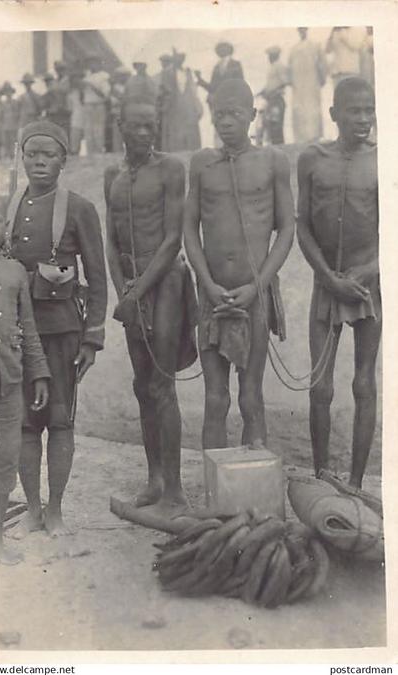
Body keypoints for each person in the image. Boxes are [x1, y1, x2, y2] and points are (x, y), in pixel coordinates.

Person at [5, 120, 108, 537]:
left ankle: (57, 510)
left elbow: (98, 278)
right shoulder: (11, 206)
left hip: (63, 331)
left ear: (63, 161)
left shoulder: (79, 208)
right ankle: (32, 509)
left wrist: (92, 339)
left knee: (61, 421)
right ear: (23, 157)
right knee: (27, 424)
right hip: (18, 334)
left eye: (49, 155)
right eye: (33, 154)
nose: (40, 162)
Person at [184, 79, 294, 449]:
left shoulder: (272, 161)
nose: (226, 122)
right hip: (211, 296)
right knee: (215, 399)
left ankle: (251, 495)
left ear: (252, 114)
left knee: (251, 397)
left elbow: (286, 229)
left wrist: (258, 286)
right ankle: (217, 493)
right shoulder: (201, 163)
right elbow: (189, 229)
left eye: (234, 114)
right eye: (219, 115)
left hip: (254, 296)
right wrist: (208, 284)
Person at [104, 94, 198, 512]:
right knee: (142, 386)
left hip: (166, 282)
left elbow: (173, 239)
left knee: (162, 384)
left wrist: (137, 292)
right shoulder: (113, 175)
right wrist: (122, 291)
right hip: (131, 287)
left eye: (151, 124)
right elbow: (111, 240)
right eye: (136, 125)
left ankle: (175, 491)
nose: (145, 132)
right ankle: (155, 480)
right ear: (120, 125)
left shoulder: (172, 169)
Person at [296, 77, 380, 491]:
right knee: (320, 385)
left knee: (364, 381)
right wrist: (327, 277)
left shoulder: (385, 158)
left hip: (369, 286)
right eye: (354, 110)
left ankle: (357, 483)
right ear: (334, 114)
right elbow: (303, 226)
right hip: (326, 284)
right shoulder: (313, 158)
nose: (364, 119)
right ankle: (321, 476)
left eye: (369, 109)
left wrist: (368, 271)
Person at [0, 190, 50, 564]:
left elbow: (28, 329)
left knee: (4, 460)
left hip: (7, 384)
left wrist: (38, 373)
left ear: (6, 226)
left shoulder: (15, 274)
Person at [195, 41, 244, 148]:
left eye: (223, 48)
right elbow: (212, 87)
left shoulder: (236, 64)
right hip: (218, 103)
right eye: (219, 49)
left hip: (232, 102)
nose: (220, 51)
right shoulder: (216, 67)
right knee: (219, 128)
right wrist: (200, 80)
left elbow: (240, 84)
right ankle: (220, 150)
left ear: (229, 50)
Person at [288, 27, 327, 143]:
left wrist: (321, 79)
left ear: (306, 31)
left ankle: (314, 135)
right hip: (299, 85)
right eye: (300, 30)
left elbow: (322, 64)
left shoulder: (315, 46)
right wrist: (292, 82)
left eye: (303, 30)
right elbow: (289, 69)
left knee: (312, 108)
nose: (302, 32)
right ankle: (302, 137)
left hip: (312, 83)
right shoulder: (294, 49)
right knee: (301, 108)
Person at [160, 50, 202, 152]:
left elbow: (193, 90)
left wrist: (198, 106)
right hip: (174, 106)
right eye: (178, 57)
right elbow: (165, 90)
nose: (180, 60)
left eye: (182, 58)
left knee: (190, 132)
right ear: (174, 59)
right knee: (175, 133)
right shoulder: (167, 72)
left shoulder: (187, 72)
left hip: (188, 106)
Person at [259, 46, 289, 145]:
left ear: (276, 56)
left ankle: (280, 148)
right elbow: (269, 85)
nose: (269, 58)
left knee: (276, 126)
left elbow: (284, 82)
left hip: (277, 99)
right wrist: (262, 92)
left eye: (271, 56)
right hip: (271, 100)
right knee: (270, 126)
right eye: (269, 56)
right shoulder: (272, 67)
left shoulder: (280, 66)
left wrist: (273, 91)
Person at [82, 55, 110, 154]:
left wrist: (91, 86)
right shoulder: (86, 75)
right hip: (87, 105)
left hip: (98, 105)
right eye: (89, 62)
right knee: (88, 130)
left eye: (93, 62)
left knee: (98, 129)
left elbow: (105, 95)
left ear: (98, 63)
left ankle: (98, 152)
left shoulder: (103, 75)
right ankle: (90, 153)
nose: (91, 65)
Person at [1, 82, 19, 160]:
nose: (8, 93)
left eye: (9, 91)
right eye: (6, 92)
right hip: (5, 126)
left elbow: (18, 114)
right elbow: (1, 115)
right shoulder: (3, 103)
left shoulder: (15, 102)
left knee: (13, 141)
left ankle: (14, 157)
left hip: (13, 125)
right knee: (6, 142)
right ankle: (7, 157)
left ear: (11, 92)